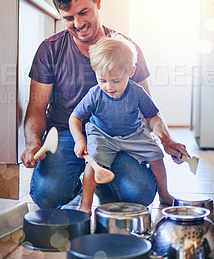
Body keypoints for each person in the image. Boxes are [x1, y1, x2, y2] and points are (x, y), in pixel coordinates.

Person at [20, 0, 188, 209]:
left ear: (97, 2)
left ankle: (103, 183)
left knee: (139, 195)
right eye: (68, 18)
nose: (78, 24)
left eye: (83, 12)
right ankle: (80, 183)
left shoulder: (127, 49)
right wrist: (31, 142)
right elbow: (36, 107)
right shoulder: (50, 51)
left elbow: (148, 109)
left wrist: (166, 140)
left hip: (118, 134)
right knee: (47, 195)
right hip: (67, 133)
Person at [69, 36, 176, 214]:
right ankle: (86, 204)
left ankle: (164, 194)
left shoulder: (137, 92)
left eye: (116, 81)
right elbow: (75, 118)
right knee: (93, 161)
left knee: (157, 156)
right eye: (102, 80)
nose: (109, 87)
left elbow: (152, 116)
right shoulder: (94, 94)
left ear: (131, 72)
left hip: (134, 134)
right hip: (102, 135)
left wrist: (158, 130)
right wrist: (79, 140)